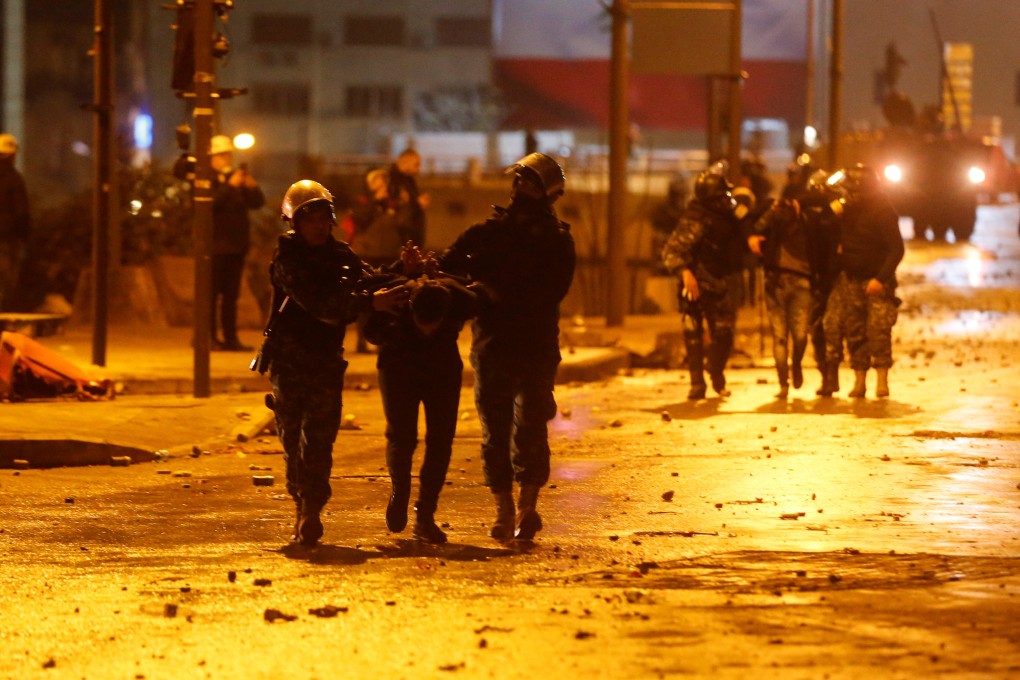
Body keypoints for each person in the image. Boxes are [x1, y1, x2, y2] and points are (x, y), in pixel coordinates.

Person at [260, 179, 406, 546]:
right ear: (295, 222)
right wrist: (369, 303)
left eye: (324, 217)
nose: (318, 225)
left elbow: (369, 281)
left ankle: (311, 510)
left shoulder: (341, 255)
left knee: (320, 440)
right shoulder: (287, 260)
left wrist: (404, 269)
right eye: (310, 218)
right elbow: (324, 305)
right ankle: (301, 503)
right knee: (294, 441)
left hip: (325, 360)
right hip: (289, 361)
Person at [439, 152, 575, 542]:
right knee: (495, 430)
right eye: (518, 182)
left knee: (531, 425)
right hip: (492, 344)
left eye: (530, 184)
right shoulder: (487, 232)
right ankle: (503, 509)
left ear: (546, 193)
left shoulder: (557, 240)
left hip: (534, 345)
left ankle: (527, 505)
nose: (521, 190)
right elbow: (450, 267)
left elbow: (552, 291)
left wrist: (498, 290)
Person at [363, 247, 479, 544]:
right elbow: (370, 324)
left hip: (442, 371)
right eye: (422, 324)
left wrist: (441, 276)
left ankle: (425, 515)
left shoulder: (457, 299)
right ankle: (399, 492)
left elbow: (481, 296)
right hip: (399, 366)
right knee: (401, 437)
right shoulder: (397, 296)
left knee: (440, 441)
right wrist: (401, 271)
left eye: (434, 324)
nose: (428, 331)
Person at [748, 156, 838, 398]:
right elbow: (752, 224)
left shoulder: (811, 218)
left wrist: (798, 203)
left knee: (799, 336)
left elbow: (826, 206)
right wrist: (754, 238)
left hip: (802, 282)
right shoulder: (774, 215)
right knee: (779, 336)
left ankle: (796, 365)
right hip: (775, 282)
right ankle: (783, 384)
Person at [661, 163, 748, 400]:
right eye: (722, 195)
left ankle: (716, 373)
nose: (726, 199)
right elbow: (671, 251)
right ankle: (697, 384)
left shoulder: (729, 216)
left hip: (721, 284)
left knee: (724, 335)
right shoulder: (696, 218)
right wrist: (684, 272)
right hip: (695, 286)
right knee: (692, 333)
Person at [821, 164, 904, 398]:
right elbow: (822, 216)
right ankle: (859, 382)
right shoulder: (847, 210)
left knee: (878, 331)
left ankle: (881, 381)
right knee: (854, 331)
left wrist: (881, 278)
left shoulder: (882, 211)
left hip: (877, 282)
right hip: (851, 280)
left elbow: (896, 249)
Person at [210, 134, 265, 351]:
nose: (226, 159)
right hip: (214, 246)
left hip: (236, 246)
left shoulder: (236, 179)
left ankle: (231, 338)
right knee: (211, 295)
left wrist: (251, 186)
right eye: (222, 155)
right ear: (212, 157)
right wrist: (229, 186)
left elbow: (257, 203)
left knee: (231, 296)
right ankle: (208, 338)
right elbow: (211, 205)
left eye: (228, 154)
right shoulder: (207, 178)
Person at [0, 134, 30, 312]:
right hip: (7, 239)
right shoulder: (14, 179)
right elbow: (22, 212)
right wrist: (24, 237)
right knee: (6, 280)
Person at [387, 148, 429, 247]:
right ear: (404, 162)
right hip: (400, 239)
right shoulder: (392, 180)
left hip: (409, 237)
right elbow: (398, 205)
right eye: (416, 164)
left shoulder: (408, 180)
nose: (419, 169)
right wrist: (417, 203)